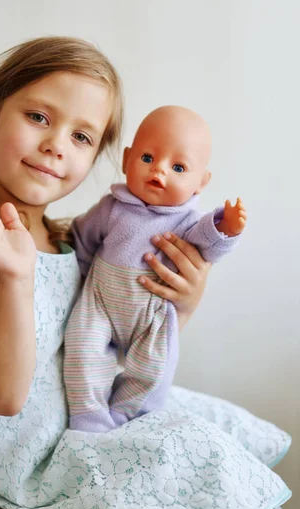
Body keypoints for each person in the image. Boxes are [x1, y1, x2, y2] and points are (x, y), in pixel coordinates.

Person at [0, 36, 299, 509]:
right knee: (188, 452)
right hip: (23, 460)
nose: (56, 145)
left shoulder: (69, 241)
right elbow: (2, 396)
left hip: (84, 420)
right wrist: (14, 281)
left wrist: (181, 303)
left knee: (200, 424)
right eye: (38, 116)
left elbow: (111, 345)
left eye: (81, 136)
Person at [65, 105, 247, 432]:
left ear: (200, 182)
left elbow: (208, 246)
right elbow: (83, 238)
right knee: (82, 350)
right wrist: (75, 280)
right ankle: (88, 419)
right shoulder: (112, 208)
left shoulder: (188, 221)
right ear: (126, 160)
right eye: (148, 158)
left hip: (154, 315)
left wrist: (224, 227)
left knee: (153, 371)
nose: (159, 171)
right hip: (101, 305)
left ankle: (125, 419)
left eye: (178, 167)